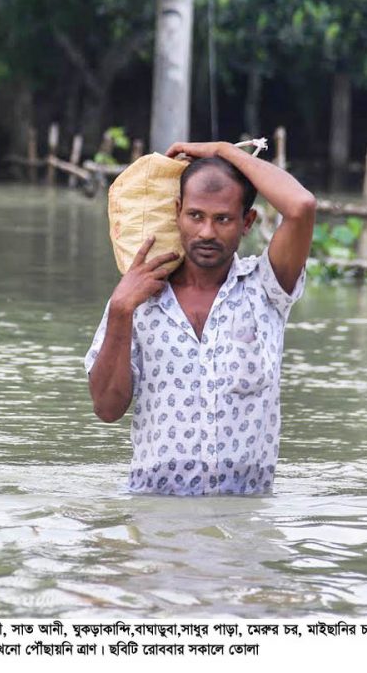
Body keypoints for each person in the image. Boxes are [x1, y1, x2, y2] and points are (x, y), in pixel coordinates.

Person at [84, 141, 316, 495]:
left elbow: (301, 206)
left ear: (247, 222)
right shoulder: (135, 299)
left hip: (244, 523)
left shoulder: (266, 290)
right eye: (195, 216)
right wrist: (120, 311)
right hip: (157, 517)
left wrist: (222, 150)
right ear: (177, 212)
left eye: (222, 219)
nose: (207, 232)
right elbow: (106, 408)